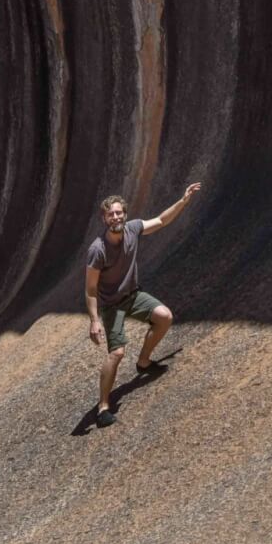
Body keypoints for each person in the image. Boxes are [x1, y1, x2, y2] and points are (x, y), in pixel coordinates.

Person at [85, 182, 202, 426]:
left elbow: (160, 221)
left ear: (124, 215)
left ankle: (143, 362)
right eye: (110, 214)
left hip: (133, 295)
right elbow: (91, 288)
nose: (115, 217)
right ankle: (103, 407)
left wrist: (183, 201)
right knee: (116, 352)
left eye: (119, 212)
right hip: (111, 306)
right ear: (104, 218)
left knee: (164, 317)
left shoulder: (133, 229)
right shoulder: (98, 249)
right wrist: (94, 321)